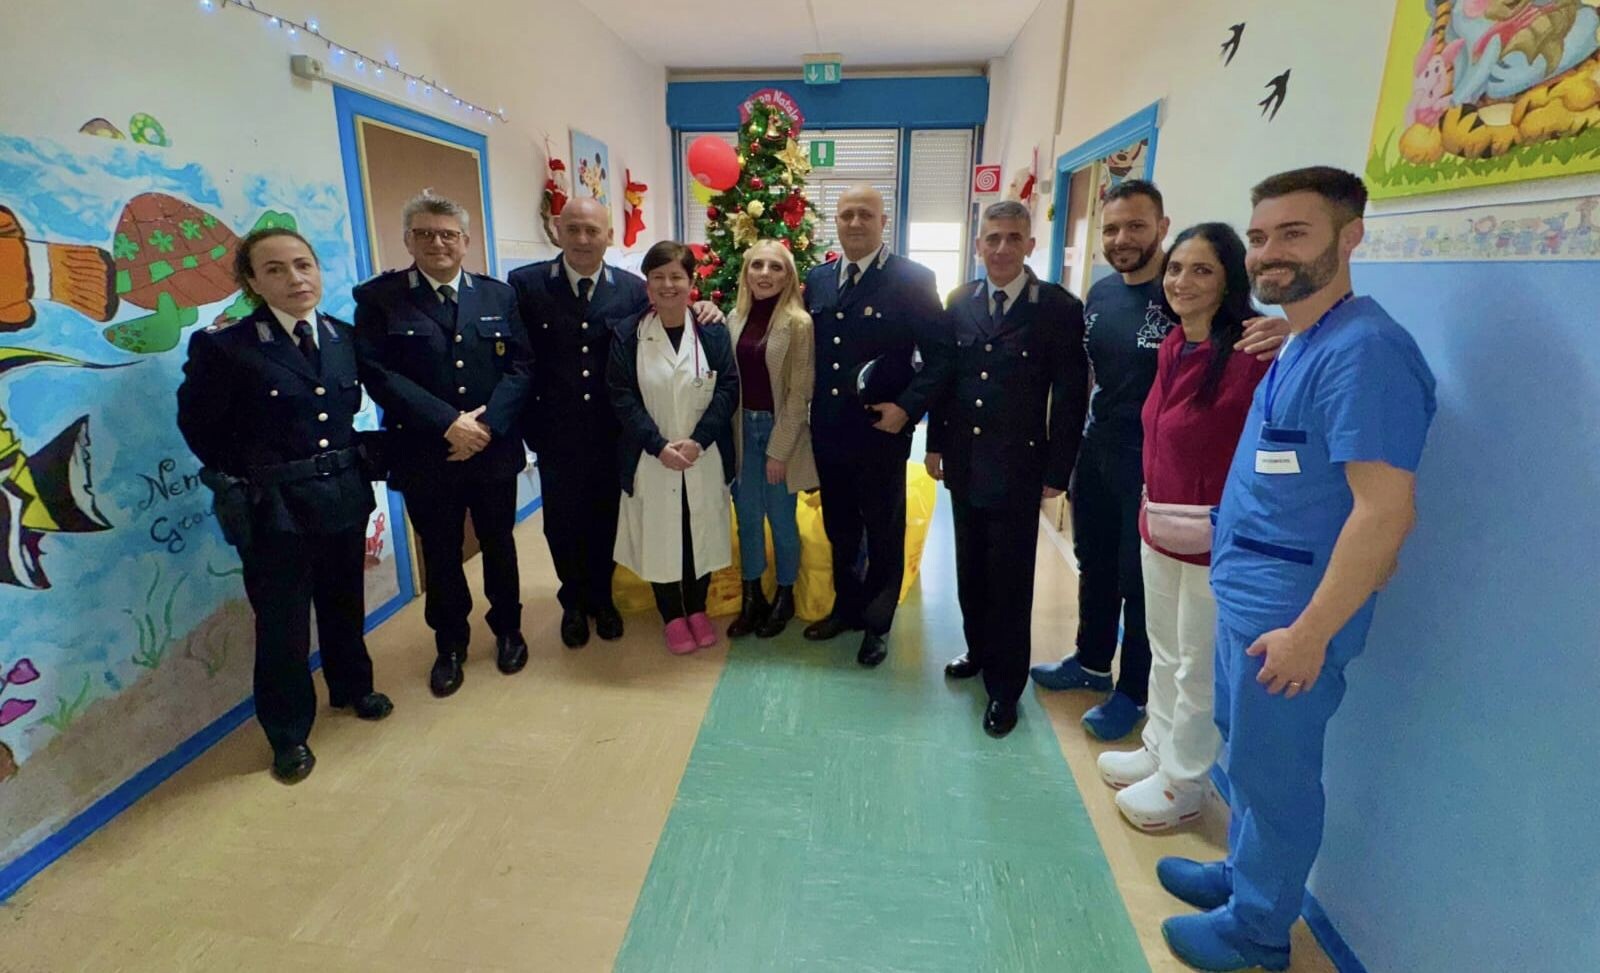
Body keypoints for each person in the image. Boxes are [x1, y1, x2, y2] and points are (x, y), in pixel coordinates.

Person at [1157, 168, 1437, 973]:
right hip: (1251, 596)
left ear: (1350, 237)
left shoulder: (1366, 352)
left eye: (1294, 233)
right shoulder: (1306, 338)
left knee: (1275, 774)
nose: (1269, 252)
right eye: (1258, 237)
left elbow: (1384, 511)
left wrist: (1311, 633)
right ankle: (1242, 874)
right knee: (1246, 754)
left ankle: (1258, 929)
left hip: (1292, 615)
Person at [1032, 181, 1285, 741]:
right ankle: (1091, 661)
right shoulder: (1101, 295)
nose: (1122, 239)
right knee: (1095, 563)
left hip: (1155, 468)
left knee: (1141, 581)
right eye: (1112, 229)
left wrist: (1288, 330)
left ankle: (1134, 691)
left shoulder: (1188, 305)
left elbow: (1246, 345)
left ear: (1162, 228)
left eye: (1136, 226)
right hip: (1099, 449)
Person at [176, 228, 392, 784]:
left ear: (317, 270)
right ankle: (288, 733)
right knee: (283, 626)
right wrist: (255, 475)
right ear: (252, 281)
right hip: (275, 508)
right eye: (275, 269)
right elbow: (200, 428)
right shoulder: (226, 348)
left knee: (345, 603)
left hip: (342, 493)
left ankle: (352, 687)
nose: (295, 278)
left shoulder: (342, 337)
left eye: (303, 265)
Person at [1096, 223, 1270, 832]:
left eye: (1202, 270)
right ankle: (1158, 748)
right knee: (1164, 648)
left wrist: (1292, 333)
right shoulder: (1174, 344)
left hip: (1213, 537)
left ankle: (1184, 781)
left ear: (1230, 280)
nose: (1182, 281)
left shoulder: (1253, 354)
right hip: (1161, 524)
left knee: (1198, 661)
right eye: (1175, 269)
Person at [509, 198, 723, 649]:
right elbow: (519, 360)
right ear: (557, 230)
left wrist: (706, 307)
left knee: (607, 518)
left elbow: (668, 316)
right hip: (556, 432)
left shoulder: (631, 289)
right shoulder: (526, 285)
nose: (583, 239)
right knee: (562, 523)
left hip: (613, 432)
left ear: (608, 235)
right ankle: (573, 602)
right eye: (574, 229)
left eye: (593, 230)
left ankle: (602, 599)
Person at [353, 193, 532, 699]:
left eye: (448, 234)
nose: (438, 243)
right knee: (441, 552)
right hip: (426, 453)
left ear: (465, 241)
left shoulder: (497, 296)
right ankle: (450, 644)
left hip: (492, 448)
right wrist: (448, 423)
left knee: (500, 544)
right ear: (408, 240)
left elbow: (522, 366)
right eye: (425, 234)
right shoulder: (381, 299)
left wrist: (485, 426)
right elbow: (377, 373)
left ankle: (509, 629)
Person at [924, 200, 1089, 737]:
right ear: (978, 245)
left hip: (1020, 464)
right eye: (992, 238)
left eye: (1013, 238)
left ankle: (1005, 686)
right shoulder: (960, 300)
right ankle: (978, 650)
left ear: (1029, 245)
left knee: (1011, 581)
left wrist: (1059, 470)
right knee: (970, 570)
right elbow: (946, 381)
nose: (1001, 248)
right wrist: (935, 445)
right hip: (965, 462)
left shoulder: (1057, 308)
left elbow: (1070, 396)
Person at [801, 185, 944, 667]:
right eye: (846, 215)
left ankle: (878, 622)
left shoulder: (912, 279)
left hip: (882, 432)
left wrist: (908, 408)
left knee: (884, 530)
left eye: (866, 214)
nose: (855, 222)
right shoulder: (818, 279)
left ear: (884, 222)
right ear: (836, 222)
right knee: (840, 528)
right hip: (830, 431)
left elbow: (941, 358)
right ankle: (847, 608)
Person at [608, 241, 738, 653]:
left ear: (691, 281)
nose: (668, 285)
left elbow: (728, 388)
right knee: (660, 533)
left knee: (697, 531)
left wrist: (699, 440)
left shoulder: (712, 331)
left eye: (676, 276)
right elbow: (621, 396)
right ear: (647, 284)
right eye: (658, 277)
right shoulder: (628, 334)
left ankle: (696, 609)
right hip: (651, 457)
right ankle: (671, 616)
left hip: (704, 454)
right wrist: (658, 445)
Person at [726, 239, 819, 639]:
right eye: (757, 265)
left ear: (788, 276)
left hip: (779, 431)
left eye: (775, 267)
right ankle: (752, 597)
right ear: (746, 272)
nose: (765, 274)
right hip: (741, 432)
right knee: (747, 520)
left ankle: (784, 595)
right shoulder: (733, 318)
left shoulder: (798, 324)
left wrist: (778, 451)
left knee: (781, 521)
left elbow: (799, 394)